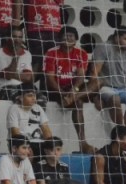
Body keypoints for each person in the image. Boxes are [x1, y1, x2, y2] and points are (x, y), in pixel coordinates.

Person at [43, 25, 96, 154]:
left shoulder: (81, 53)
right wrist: (62, 93)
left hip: (74, 90)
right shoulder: (51, 52)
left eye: (71, 36)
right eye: (65, 35)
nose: (68, 38)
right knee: (78, 103)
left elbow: (81, 76)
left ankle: (74, 98)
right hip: (57, 89)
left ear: (76, 39)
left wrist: (74, 91)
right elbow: (50, 79)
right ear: (59, 38)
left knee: (98, 82)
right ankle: (83, 143)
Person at [92, 28, 126, 127]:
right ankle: (121, 130)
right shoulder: (104, 47)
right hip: (105, 87)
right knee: (115, 99)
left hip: (123, 89)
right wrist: (95, 95)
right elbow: (94, 73)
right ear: (116, 38)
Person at [0, 25, 34, 102]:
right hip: (3, 88)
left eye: (20, 37)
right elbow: (9, 75)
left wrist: (11, 74)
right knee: (21, 98)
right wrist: (16, 56)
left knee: (41, 98)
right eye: (14, 37)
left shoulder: (27, 54)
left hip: (22, 87)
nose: (17, 40)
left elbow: (28, 78)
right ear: (7, 38)